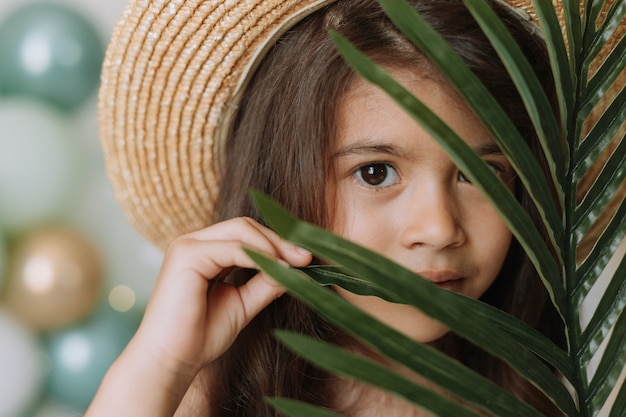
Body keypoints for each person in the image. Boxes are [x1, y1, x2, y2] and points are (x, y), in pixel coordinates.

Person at [88, 0, 565, 415]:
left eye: (481, 174)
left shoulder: (548, 392)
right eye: (375, 172)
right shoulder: (214, 398)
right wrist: (162, 363)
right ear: (282, 187)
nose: (439, 229)